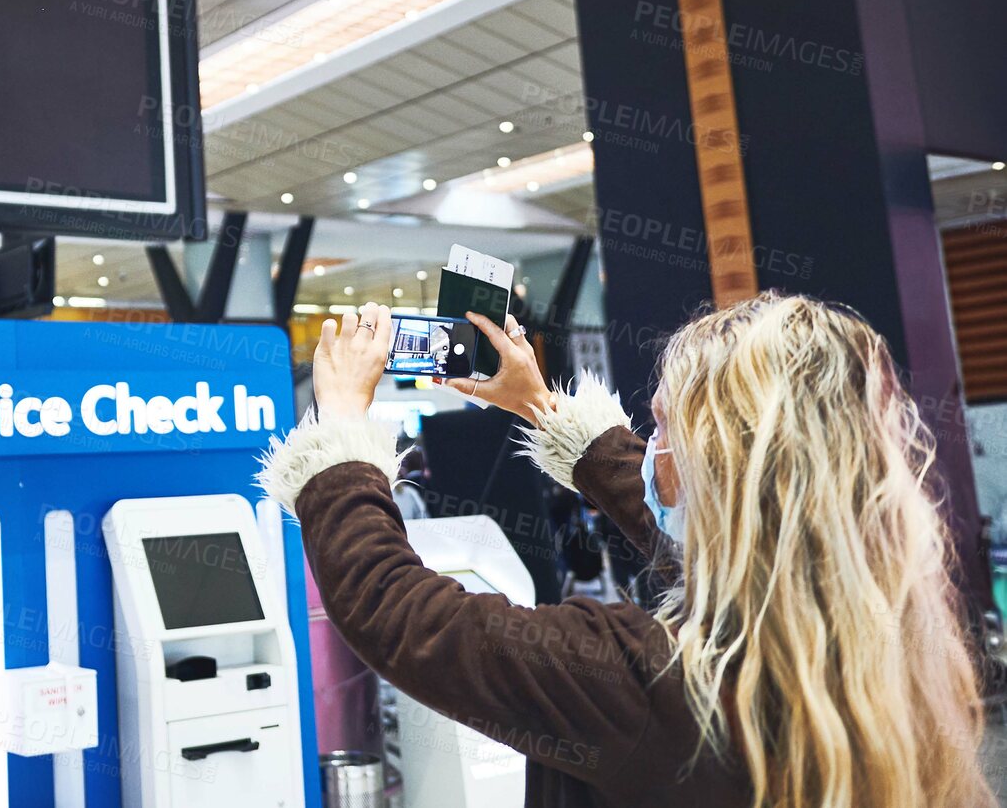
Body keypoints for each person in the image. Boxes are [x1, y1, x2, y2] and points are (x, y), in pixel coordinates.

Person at [259, 293, 991, 808]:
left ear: (717, 473)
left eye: (664, 429)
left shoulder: (641, 682)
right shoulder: (882, 642)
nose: (651, 450)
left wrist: (344, 426)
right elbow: (721, 534)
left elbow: (399, 611)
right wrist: (539, 406)